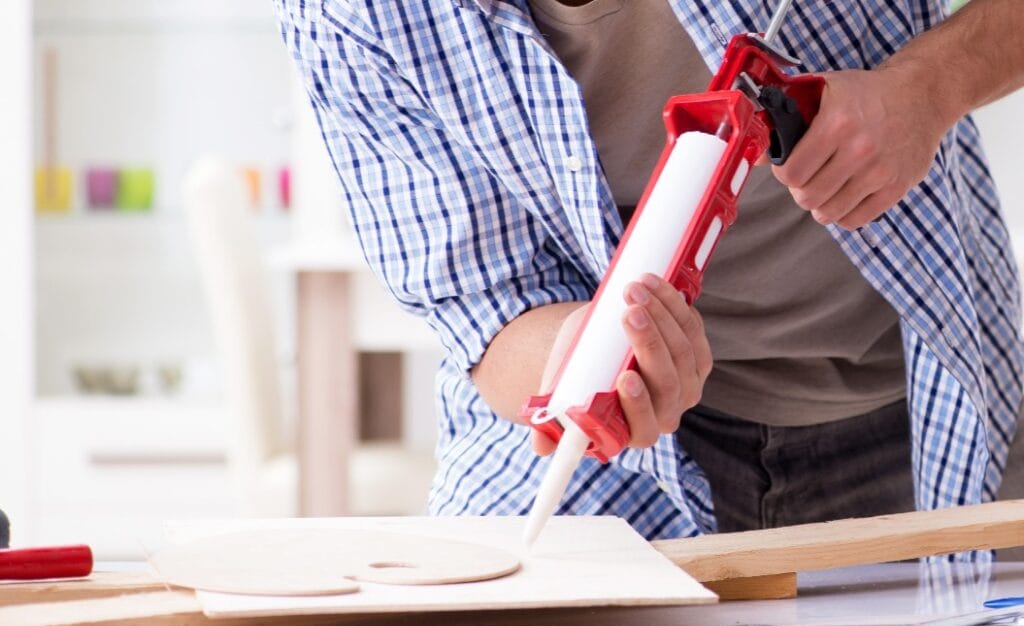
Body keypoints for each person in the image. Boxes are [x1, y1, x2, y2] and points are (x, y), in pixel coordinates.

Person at [275, 0, 1024, 552]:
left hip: (923, 396)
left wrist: (927, 89)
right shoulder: (350, 14)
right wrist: (574, 353)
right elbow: (486, 310)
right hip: (627, 453)